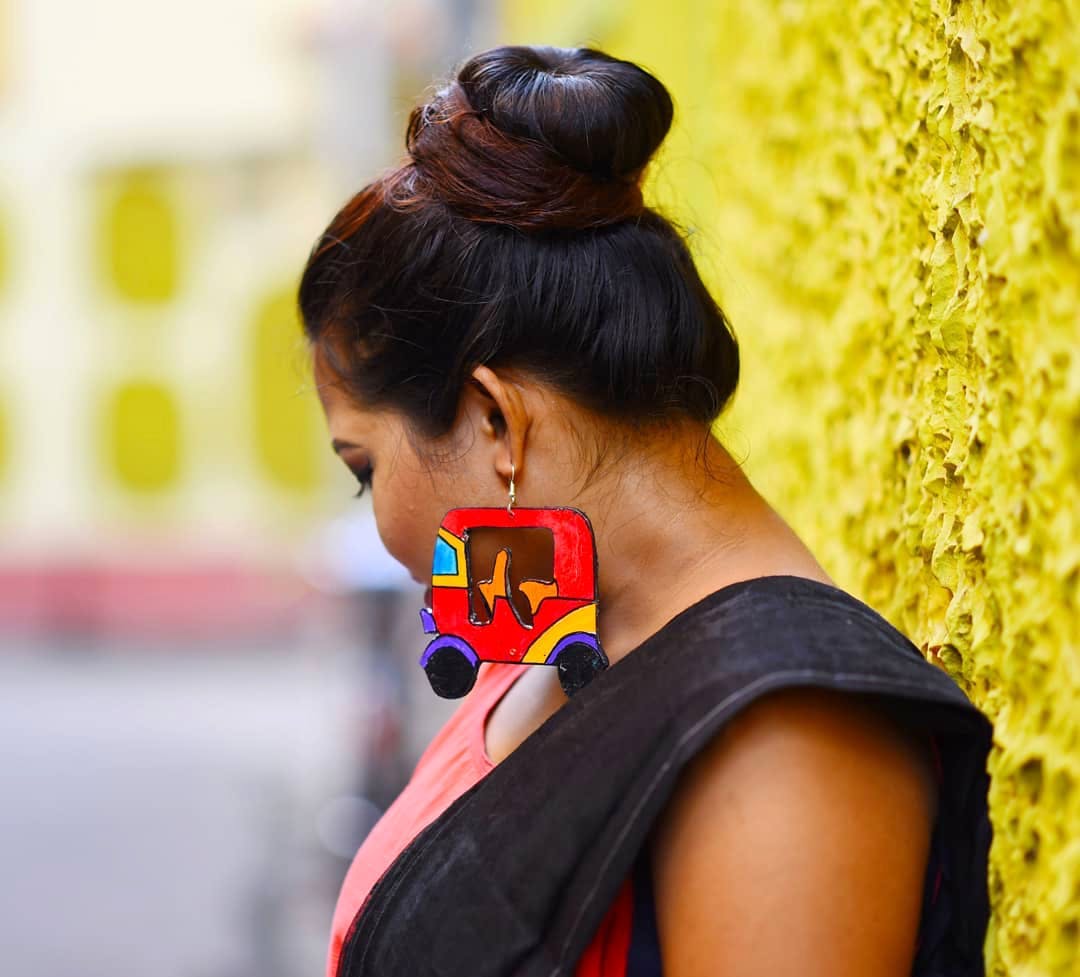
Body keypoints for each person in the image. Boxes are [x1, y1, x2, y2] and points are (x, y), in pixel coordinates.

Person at [297, 44, 993, 977]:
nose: (381, 530)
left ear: (498, 420)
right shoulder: (568, 634)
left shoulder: (785, 745)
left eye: (363, 467)